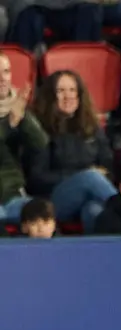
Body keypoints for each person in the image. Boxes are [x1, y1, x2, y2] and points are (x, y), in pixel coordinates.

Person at [28, 70, 117, 230]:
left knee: (94, 211)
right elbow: (37, 177)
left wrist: (101, 174)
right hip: (53, 199)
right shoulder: (40, 128)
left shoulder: (91, 125)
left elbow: (108, 164)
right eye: (61, 91)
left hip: (91, 193)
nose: (67, 96)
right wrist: (79, 178)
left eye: (72, 90)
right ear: (50, 96)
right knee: (90, 177)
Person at [0, 52, 45, 225]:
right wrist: (9, 124)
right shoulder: (12, 117)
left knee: (42, 218)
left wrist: (23, 117)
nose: (2, 78)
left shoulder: (18, 107)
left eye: (6, 72)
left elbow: (41, 145)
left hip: (13, 194)